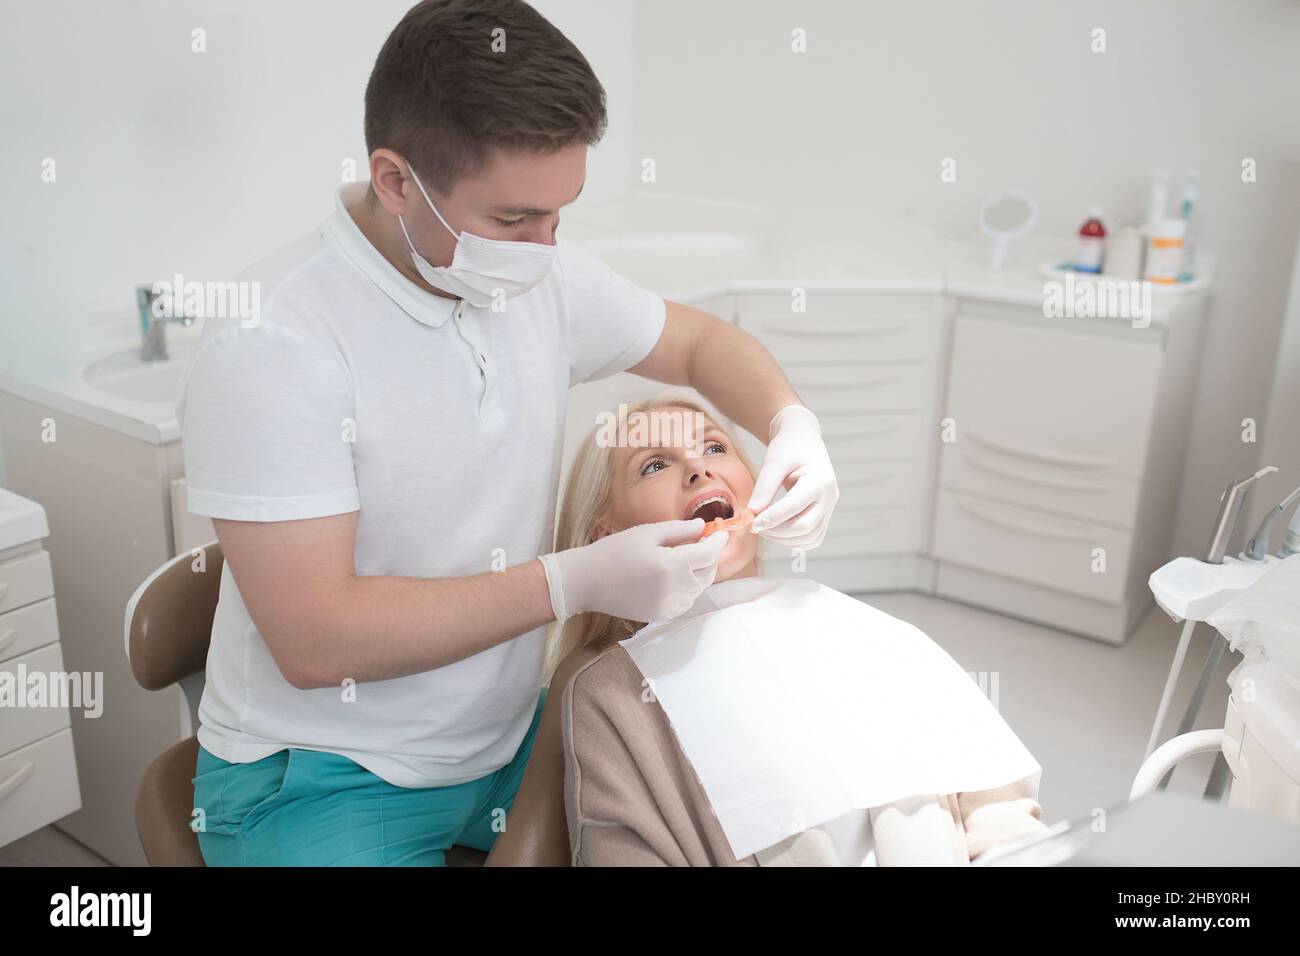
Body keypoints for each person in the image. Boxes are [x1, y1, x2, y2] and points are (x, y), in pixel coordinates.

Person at [180, 0, 838, 866]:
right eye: (512, 220)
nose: (544, 246)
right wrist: (571, 583)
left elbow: (697, 343)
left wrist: (791, 422)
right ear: (396, 180)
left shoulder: (538, 272)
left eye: (561, 213)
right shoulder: (274, 343)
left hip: (502, 739)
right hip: (322, 772)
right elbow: (317, 640)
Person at [486, 397, 1050, 866]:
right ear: (605, 535)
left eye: (715, 447)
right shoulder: (608, 689)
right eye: (654, 465)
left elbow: (994, 805)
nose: (698, 469)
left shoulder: (858, 627)